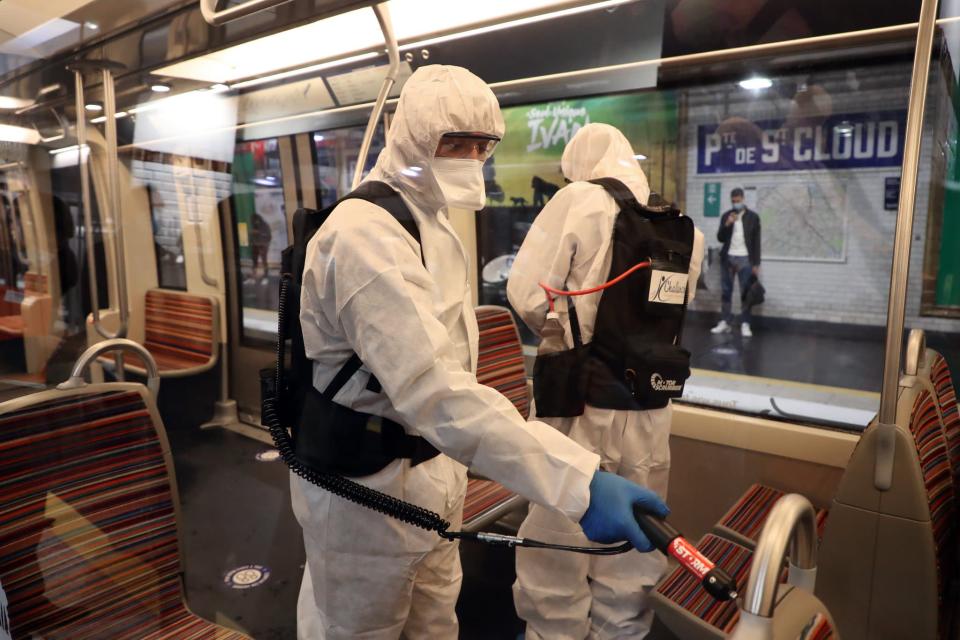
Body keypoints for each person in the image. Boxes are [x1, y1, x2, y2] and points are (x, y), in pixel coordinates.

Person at [294, 66, 667, 640]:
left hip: (434, 480)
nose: (471, 158)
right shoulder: (363, 235)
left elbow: (447, 380)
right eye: (454, 143)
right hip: (365, 493)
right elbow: (434, 390)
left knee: (436, 622)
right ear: (413, 136)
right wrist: (580, 484)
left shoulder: (433, 226)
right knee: (360, 628)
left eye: (481, 146)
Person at [507, 123, 704, 640]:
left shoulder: (580, 201)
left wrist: (562, 334)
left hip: (576, 400)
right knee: (633, 541)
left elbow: (525, 292)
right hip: (650, 405)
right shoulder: (683, 227)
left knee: (558, 537)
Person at [711, 187, 760, 337]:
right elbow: (720, 237)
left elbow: (756, 242)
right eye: (733, 201)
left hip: (745, 258)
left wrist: (756, 263)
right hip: (728, 258)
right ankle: (725, 321)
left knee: (745, 292)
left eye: (738, 201)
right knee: (726, 291)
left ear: (743, 199)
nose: (735, 204)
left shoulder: (753, 217)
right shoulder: (727, 216)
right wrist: (727, 224)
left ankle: (745, 323)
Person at [250, 211, 272, 284]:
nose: (254, 222)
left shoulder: (265, 225)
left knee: (264, 262)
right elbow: (252, 235)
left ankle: (266, 277)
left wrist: (259, 233)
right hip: (255, 245)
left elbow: (269, 236)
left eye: (255, 220)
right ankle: (253, 277)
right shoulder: (253, 225)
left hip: (263, 245)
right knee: (254, 261)